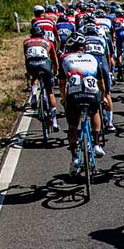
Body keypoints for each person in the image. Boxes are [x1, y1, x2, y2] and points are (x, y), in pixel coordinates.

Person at [58, 35, 104, 173]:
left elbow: (62, 83)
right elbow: (101, 82)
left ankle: (74, 158)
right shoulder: (93, 58)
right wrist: (104, 96)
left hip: (74, 95)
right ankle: (96, 144)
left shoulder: (64, 58)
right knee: (95, 112)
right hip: (92, 93)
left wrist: (63, 98)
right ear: (84, 47)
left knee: (72, 126)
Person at [24, 23, 60, 131]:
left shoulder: (26, 42)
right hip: (44, 64)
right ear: (43, 35)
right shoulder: (48, 42)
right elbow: (54, 59)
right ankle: (54, 122)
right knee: (50, 91)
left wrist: (28, 72)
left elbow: (26, 56)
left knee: (34, 77)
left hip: (31, 63)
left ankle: (34, 96)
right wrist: (55, 72)